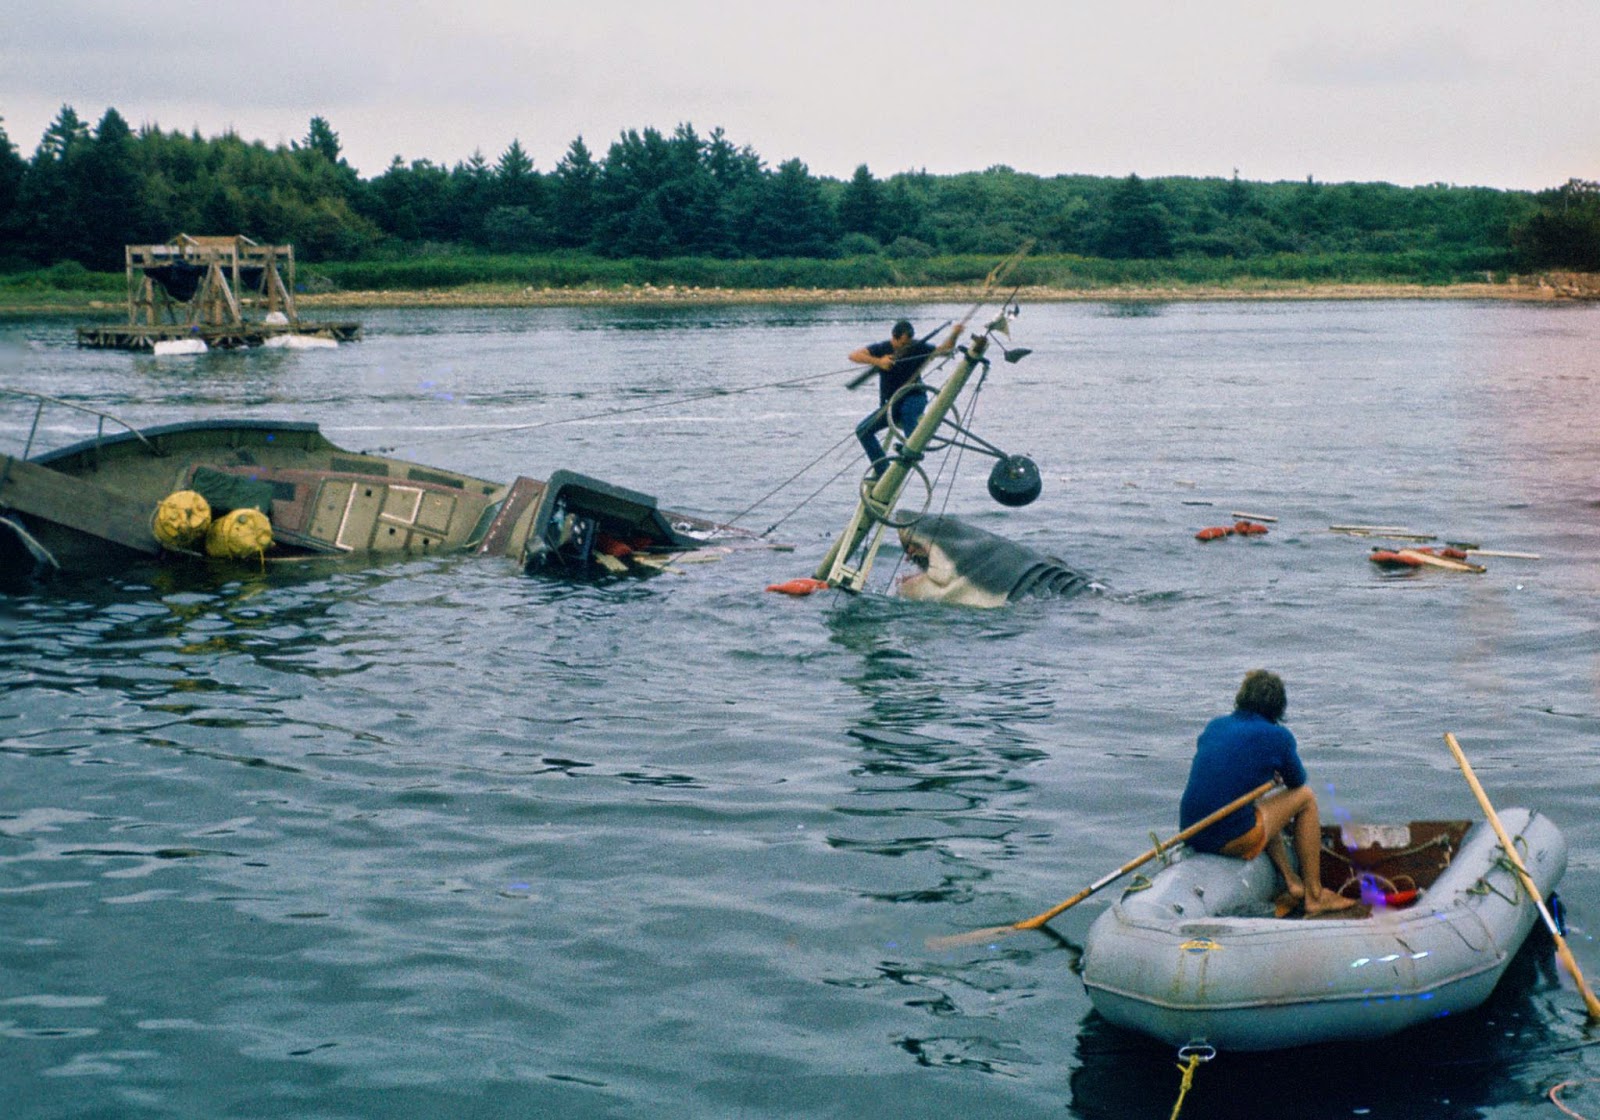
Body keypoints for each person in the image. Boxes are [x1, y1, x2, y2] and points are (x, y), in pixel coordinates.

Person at [1179, 670, 1356, 915]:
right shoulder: (1278, 736)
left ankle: (1292, 881)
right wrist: (1275, 774)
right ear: (1278, 708)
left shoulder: (1215, 726)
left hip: (1191, 832)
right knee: (1305, 798)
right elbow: (1296, 781)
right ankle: (1315, 895)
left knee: (1260, 804)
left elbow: (1225, 770)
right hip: (1227, 838)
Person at [848, 319, 966, 476]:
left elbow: (944, 350)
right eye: (902, 344)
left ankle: (912, 448)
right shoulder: (883, 348)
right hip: (891, 403)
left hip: (914, 396)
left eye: (907, 343)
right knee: (863, 431)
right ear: (894, 338)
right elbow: (854, 355)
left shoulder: (917, 347)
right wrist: (878, 361)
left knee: (908, 412)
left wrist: (954, 335)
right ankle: (883, 470)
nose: (905, 347)